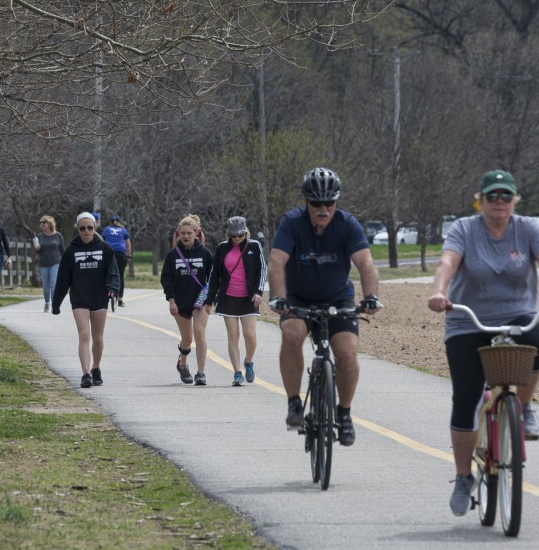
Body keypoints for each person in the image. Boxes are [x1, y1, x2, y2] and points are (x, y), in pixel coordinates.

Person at [427, 169, 539, 517]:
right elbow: (447, 262)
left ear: (515, 200)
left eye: (506, 196)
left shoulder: (527, 227)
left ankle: (523, 407)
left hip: (516, 314)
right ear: (480, 200)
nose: (499, 202)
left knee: (536, 343)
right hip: (468, 319)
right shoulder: (465, 229)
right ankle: (464, 476)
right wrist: (438, 292)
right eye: (492, 196)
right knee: (466, 397)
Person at [267, 167, 382, 447]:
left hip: (337, 296)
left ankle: (344, 413)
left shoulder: (347, 224)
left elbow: (366, 263)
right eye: (316, 203)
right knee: (292, 335)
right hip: (297, 297)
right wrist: (279, 297)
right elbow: (276, 262)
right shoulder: (291, 223)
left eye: (329, 203)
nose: (323, 209)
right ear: (306, 201)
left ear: (336, 202)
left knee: (347, 352)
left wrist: (370, 297)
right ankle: (295, 403)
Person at [52, 212, 120, 388]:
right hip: (79, 298)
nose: (86, 231)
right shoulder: (71, 251)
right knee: (84, 335)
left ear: (95, 227)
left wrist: (112, 289)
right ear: (78, 229)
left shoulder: (105, 249)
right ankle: (86, 373)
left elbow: (113, 273)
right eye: (82, 228)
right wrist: (56, 303)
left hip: (99, 298)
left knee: (97, 338)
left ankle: (96, 368)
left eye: (90, 227)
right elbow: (63, 280)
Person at [204, 216, 267, 386]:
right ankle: (237, 373)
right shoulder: (222, 248)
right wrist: (209, 300)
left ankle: (249, 361)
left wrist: (258, 292)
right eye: (233, 236)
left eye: (240, 235)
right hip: (228, 297)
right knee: (233, 335)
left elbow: (262, 270)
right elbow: (214, 275)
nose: (237, 239)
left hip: (249, 298)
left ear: (245, 232)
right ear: (229, 234)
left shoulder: (254, 246)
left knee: (250, 335)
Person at [161, 214, 213, 386]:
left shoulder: (205, 253)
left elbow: (213, 278)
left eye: (189, 233)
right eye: (182, 233)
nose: (185, 236)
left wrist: (210, 300)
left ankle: (201, 373)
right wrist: (171, 301)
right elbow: (167, 279)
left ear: (196, 233)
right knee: (187, 339)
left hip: (199, 301)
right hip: (180, 301)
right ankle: (182, 364)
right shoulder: (173, 255)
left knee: (199, 331)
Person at [35, 215, 66, 313]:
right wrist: (37, 249)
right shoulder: (39, 236)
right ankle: (47, 302)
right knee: (46, 286)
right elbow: (37, 252)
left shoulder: (58, 236)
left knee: (53, 284)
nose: (42, 224)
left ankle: (54, 305)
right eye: (41, 223)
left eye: (44, 222)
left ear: (49, 224)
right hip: (43, 263)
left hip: (55, 263)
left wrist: (65, 264)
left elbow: (62, 250)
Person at [102, 215, 132, 307]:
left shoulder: (107, 229)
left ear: (110, 222)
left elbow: (101, 241)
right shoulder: (123, 230)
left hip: (109, 252)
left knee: (106, 274)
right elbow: (128, 244)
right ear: (119, 222)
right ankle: (120, 299)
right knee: (120, 275)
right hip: (120, 253)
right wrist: (128, 255)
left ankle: (106, 296)